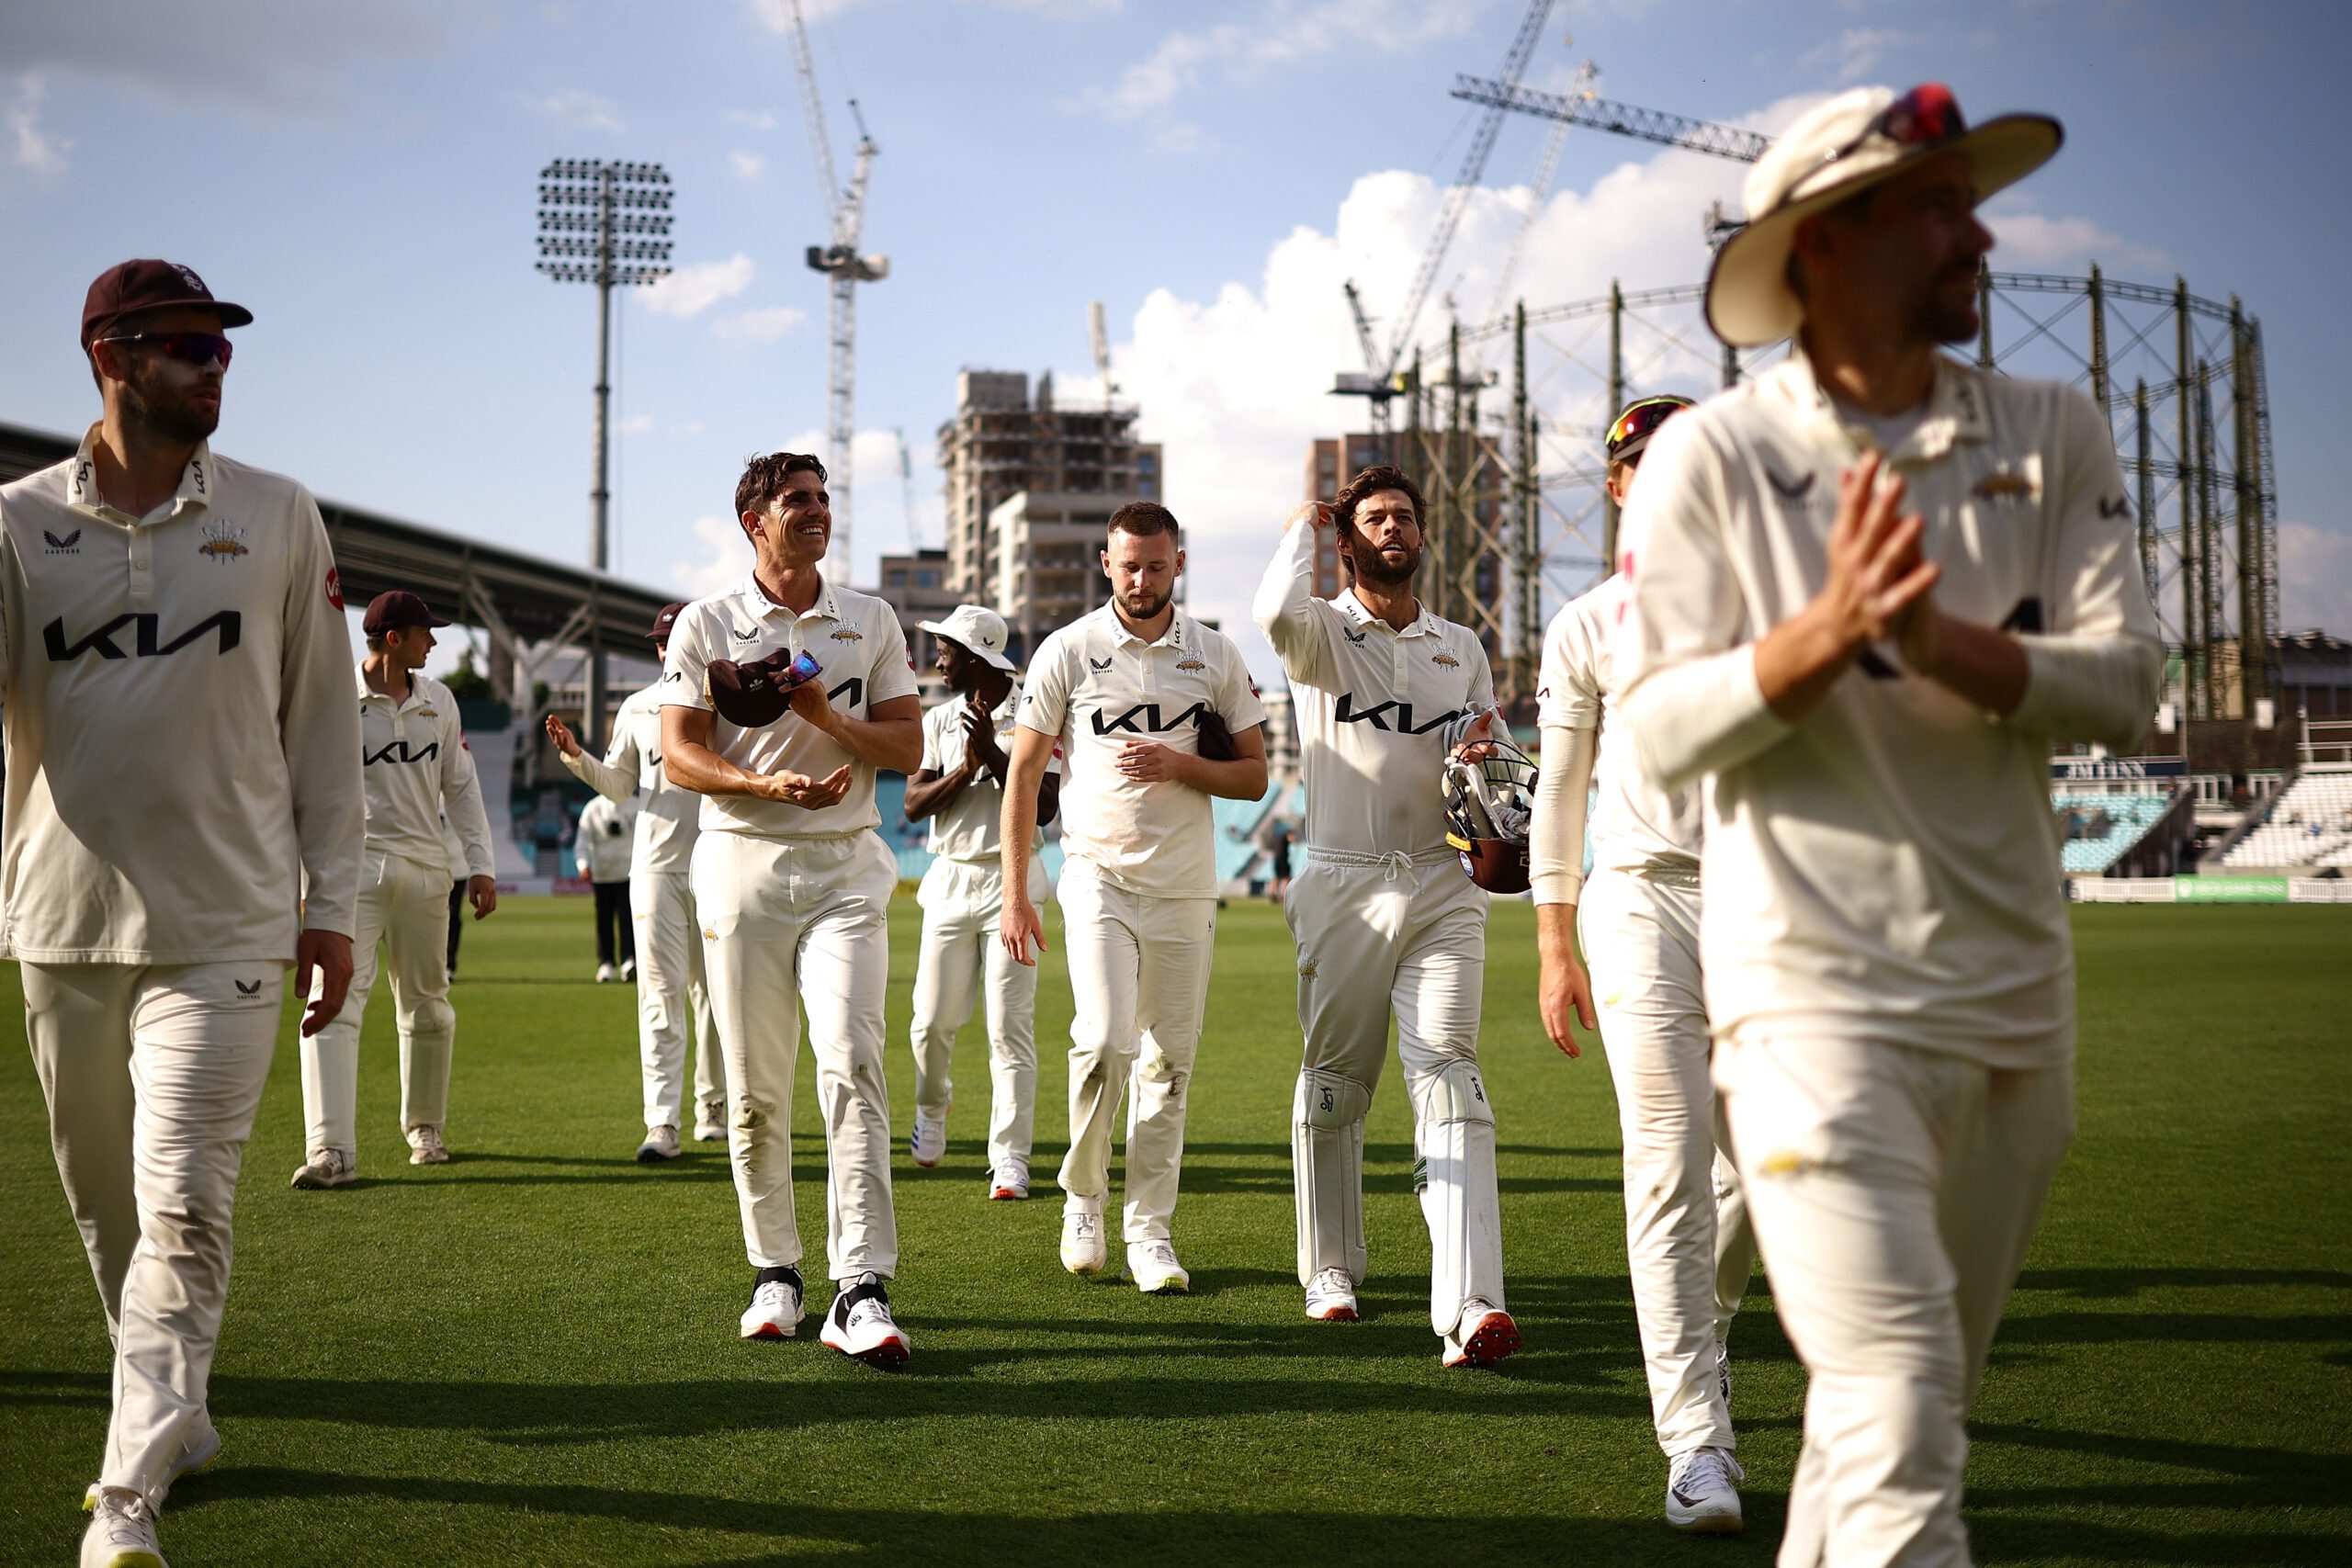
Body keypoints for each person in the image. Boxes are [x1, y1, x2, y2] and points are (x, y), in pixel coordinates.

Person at [1613, 85, 2164, 1564]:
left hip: (2013, 1004)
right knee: (1901, 1406)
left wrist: (1938, 645)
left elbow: (2127, 686)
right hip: (1808, 1003)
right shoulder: (1710, 460)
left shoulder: (2055, 428)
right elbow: (1656, 725)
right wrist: (1821, 637)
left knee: (1893, 1424)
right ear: (1823, 247)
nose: (1979, 232)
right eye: (1938, 204)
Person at [3, 258, 361, 1567]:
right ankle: (174, 1408)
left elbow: (323, 722)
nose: (216, 367)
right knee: (109, 1212)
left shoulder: (277, 515)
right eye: (188, 347)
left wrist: (333, 905)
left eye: (222, 347)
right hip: (63, 921)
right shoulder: (17, 523)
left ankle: (124, 1500)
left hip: (229, 925)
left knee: (185, 1208)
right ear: (112, 356)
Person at [1532, 395, 1758, 1531]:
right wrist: (1551, 940)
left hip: (1769, 905)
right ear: (1618, 489)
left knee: (1770, 1172)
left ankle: (1701, 1342)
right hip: (1638, 901)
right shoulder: (1586, 624)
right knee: (1667, 1161)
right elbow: (1559, 789)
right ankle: (1693, 1444)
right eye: (1643, 466)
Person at [1254, 465, 1520, 1368]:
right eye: (1374, 518)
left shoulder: (1461, 644)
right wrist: (1304, 520)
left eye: (1406, 515)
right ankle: (1330, 1269)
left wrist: (1490, 749)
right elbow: (1270, 614)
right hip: (1342, 883)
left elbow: (1490, 749)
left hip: (1442, 885)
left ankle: (1472, 1305)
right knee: (1335, 1084)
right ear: (1346, 538)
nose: (1394, 528)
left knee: (1450, 1071)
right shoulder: (1321, 633)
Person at [660, 451, 923, 1363]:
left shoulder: (870, 618)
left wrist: (826, 716)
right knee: (755, 1095)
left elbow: (905, 744)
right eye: (795, 502)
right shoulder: (706, 622)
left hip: (848, 866)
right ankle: (776, 1270)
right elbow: (678, 756)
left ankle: (862, 1286)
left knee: (853, 1064)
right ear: (754, 523)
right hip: (740, 864)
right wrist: (763, 787)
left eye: (821, 499)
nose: (816, 512)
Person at [1001, 501, 1268, 1294]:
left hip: (1187, 887)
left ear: (1177, 563)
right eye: (1129, 565)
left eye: (1157, 564)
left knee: (1169, 1065)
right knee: (1108, 1038)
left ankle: (1151, 1231)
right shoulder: (1068, 650)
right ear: (1107, 566)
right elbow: (1022, 775)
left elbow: (1253, 775)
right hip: (1097, 876)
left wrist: (1182, 765)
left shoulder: (1214, 655)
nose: (1143, 579)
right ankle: (1084, 1197)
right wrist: (1018, 894)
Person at [294, 591, 498, 1186]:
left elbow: (460, 787)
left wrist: (480, 864)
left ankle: (425, 1127)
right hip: (347, 874)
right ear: (392, 640)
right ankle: (330, 1150)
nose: (433, 642)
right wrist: (302, 880)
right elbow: (300, 788)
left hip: (426, 870)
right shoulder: (332, 698)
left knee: (429, 1005)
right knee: (330, 1002)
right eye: (423, 633)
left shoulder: (441, 701)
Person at [548, 601, 730, 1162]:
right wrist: (578, 758)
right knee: (659, 997)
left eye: (673, 640)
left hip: (720, 863)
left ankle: (714, 1106)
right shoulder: (637, 708)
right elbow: (621, 786)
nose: (665, 649)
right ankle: (661, 1123)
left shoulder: (729, 704)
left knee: (718, 996)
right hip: (653, 868)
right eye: (659, 642)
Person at [899, 604, 1061, 1199]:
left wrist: (992, 754)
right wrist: (967, 769)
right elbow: (913, 804)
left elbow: (1045, 804)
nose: (938, 657)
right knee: (929, 1022)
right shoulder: (939, 717)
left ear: (975, 656)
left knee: (1008, 1028)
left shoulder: (1037, 711)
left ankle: (1010, 1158)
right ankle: (933, 1107)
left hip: (1013, 882)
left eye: (945, 648)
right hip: (950, 879)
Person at [576, 788, 638, 982]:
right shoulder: (593, 808)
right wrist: (583, 865)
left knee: (629, 919)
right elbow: (582, 842)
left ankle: (630, 960)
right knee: (604, 921)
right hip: (603, 876)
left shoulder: (636, 805)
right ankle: (606, 963)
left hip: (630, 874)